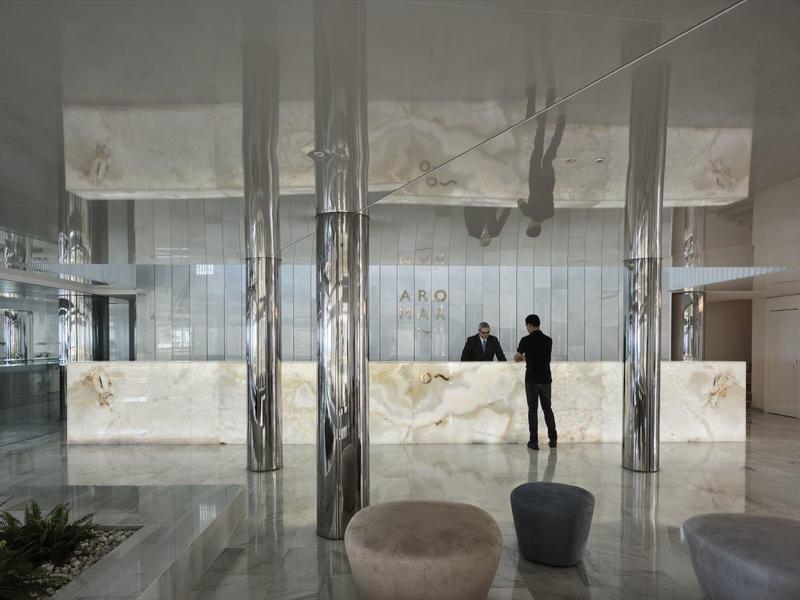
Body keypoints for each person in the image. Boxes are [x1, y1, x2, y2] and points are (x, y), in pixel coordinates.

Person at [517, 84, 565, 238]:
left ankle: (561, 115)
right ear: (530, 226)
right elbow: (519, 201)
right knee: (539, 144)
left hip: (549, 178)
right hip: (535, 175)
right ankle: (546, 109)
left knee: (552, 149)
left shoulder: (550, 214)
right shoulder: (528, 212)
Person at [514, 314, 557, 450]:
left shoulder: (525, 340)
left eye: (527, 326)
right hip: (546, 379)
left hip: (532, 379)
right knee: (547, 409)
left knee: (532, 411)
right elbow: (544, 358)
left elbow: (517, 357)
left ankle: (534, 442)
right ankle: (553, 439)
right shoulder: (548, 340)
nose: (527, 328)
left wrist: (525, 358)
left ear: (529, 325)